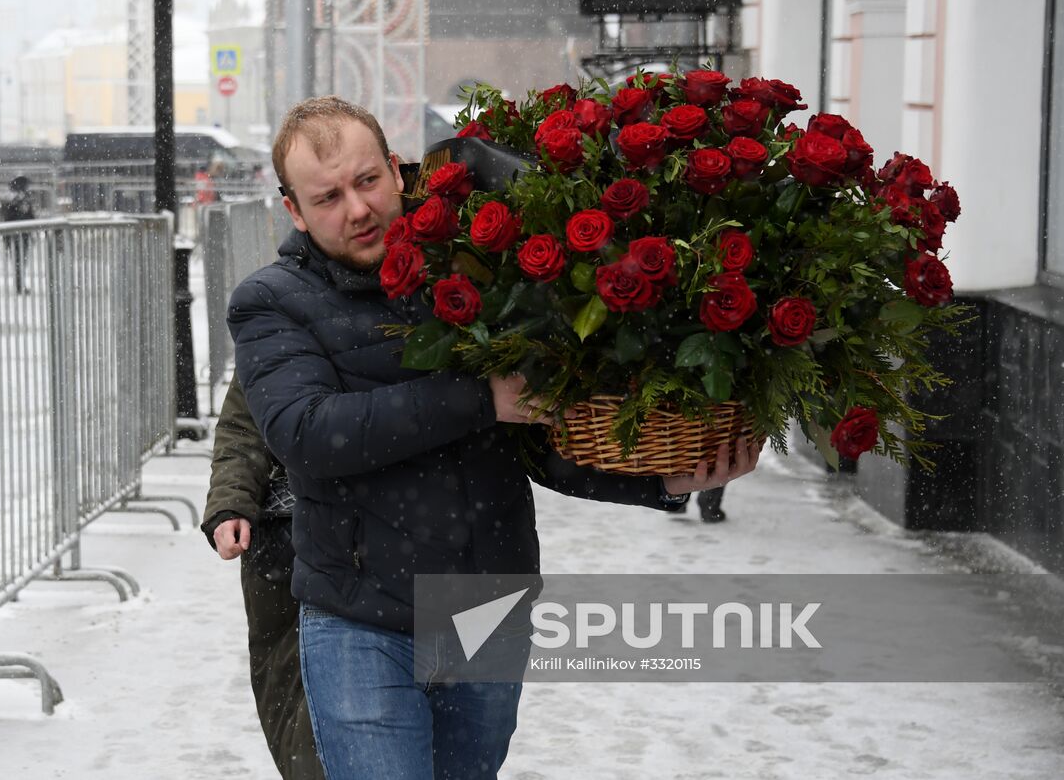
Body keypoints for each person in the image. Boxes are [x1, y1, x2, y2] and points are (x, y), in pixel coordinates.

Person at [227, 96, 759, 779]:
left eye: (366, 181)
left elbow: (534, 435)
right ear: (294, 211)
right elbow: (308, 435)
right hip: (359, 620)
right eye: (327, 196)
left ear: (397, 170)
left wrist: (660, 482)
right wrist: (478, 398)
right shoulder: (270, 300)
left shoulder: (474, 270)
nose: (356, 209)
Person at [202, 375, 325, 780]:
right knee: (306, 730)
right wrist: (231, 500)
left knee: (475, 728)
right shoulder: (282, 317)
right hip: (298, 539)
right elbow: (245, 421)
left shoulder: (508, 322)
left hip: (480, 541)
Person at [0, 176, 36, 292]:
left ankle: (20, 284)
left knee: (20, 261)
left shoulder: (23, 199)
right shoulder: (13, 200)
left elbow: (30, 217)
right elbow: (9, 217)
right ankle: (19, 285)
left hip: (21, 234)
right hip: (16, 235)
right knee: (18, 261)